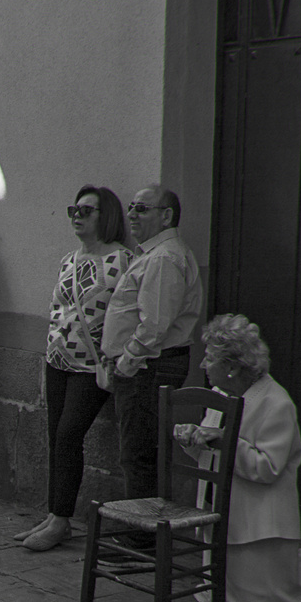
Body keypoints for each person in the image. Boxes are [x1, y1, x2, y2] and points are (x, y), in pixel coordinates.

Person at [175, 315, 301, 602]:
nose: (202, 365)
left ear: (231, 367)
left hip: (260, 525)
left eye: (209, 358)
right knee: (220, 592)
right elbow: (212, 457)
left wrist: (223, 440)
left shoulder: (277, 403)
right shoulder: (220, 396)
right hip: (226, 516)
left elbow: (268, 469)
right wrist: (193, 439)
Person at [17, 187, 132, 550]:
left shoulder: (123, 260)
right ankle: (55, 515)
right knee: (56, 436)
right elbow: (58, 309)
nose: (77, 216)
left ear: (106, 215)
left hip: (92, 366)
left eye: (86, 210)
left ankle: (61, 519)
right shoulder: (69, 259)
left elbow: (127, 313)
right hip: (58, 360)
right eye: (73, 210)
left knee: (69, 435)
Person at [102, 185, 203, 502]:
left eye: (142, 208)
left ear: (166, 216)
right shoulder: (156, 254)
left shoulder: (164, 258)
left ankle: (142, 527)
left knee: (138, 454)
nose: (132, 214)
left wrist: (126, 362)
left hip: (149, 367)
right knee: (139, 451)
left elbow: (155, 324)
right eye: (131, 207)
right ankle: (143, 522)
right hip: (147, 366)